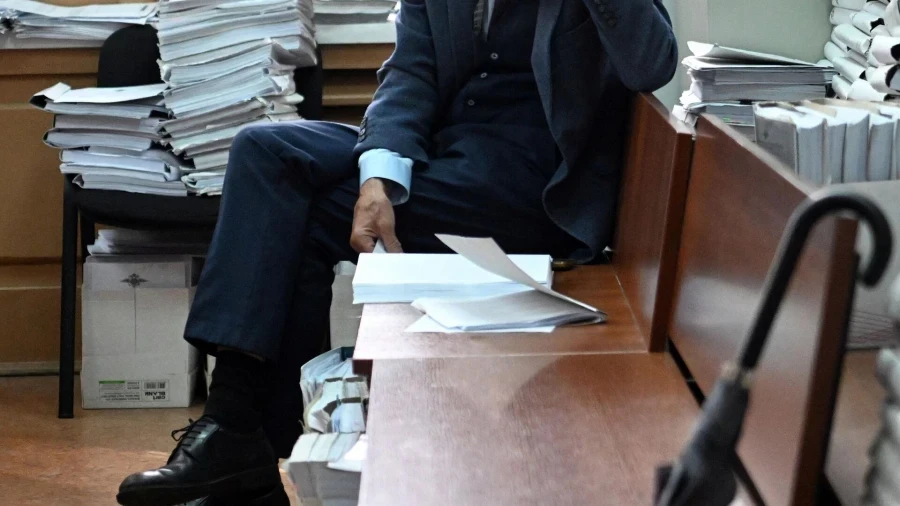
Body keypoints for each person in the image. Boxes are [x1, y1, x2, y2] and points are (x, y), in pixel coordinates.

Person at [116, 0, 677, 504]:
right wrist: (379, 177)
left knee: (307, 214)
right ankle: (243, 438)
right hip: (442, 159)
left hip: (532, 189)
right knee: (266, 150)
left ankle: (240, 431)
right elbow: (410, 73)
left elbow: (651, 65)